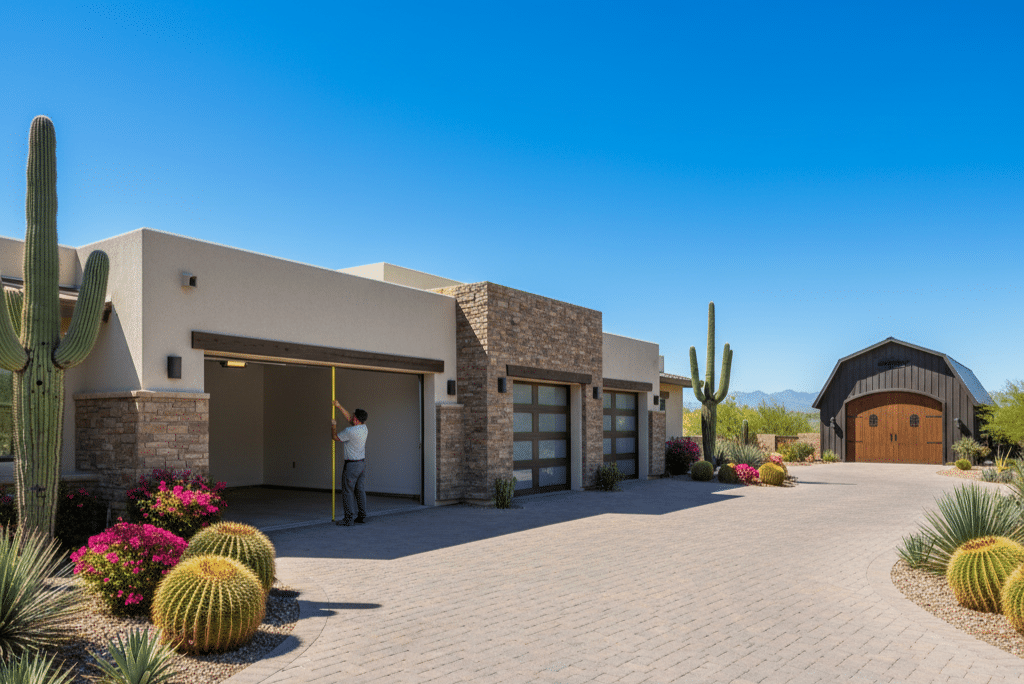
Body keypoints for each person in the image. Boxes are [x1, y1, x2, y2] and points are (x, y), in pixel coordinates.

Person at [331, 401, 369, 526]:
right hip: (361, 464)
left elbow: (335, 437)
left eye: (353, 417)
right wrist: (339, 406)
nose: (351, 417)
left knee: (347, 491)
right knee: (360, 490)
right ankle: (362, 516)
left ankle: (348, 519)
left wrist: (333, 426)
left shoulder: (350, 431)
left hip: (351, 465)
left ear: (356, 420)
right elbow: (350, 419)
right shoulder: (364, 428)